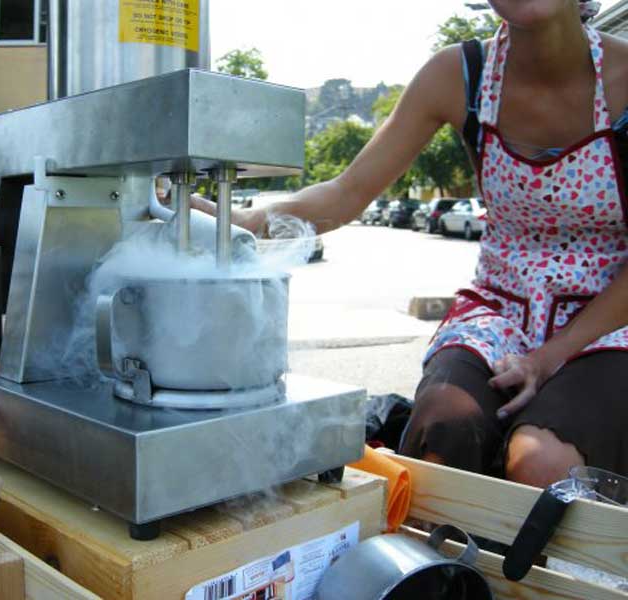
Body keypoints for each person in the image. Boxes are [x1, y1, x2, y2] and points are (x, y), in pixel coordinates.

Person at [193, 0, 628, 487]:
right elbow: (347, 193)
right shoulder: (459, 74)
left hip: (607, 324)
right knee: (442, 436)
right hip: (499, 311)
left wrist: (546, 359)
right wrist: (243, 221)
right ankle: (447, 562)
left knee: (541, 465)